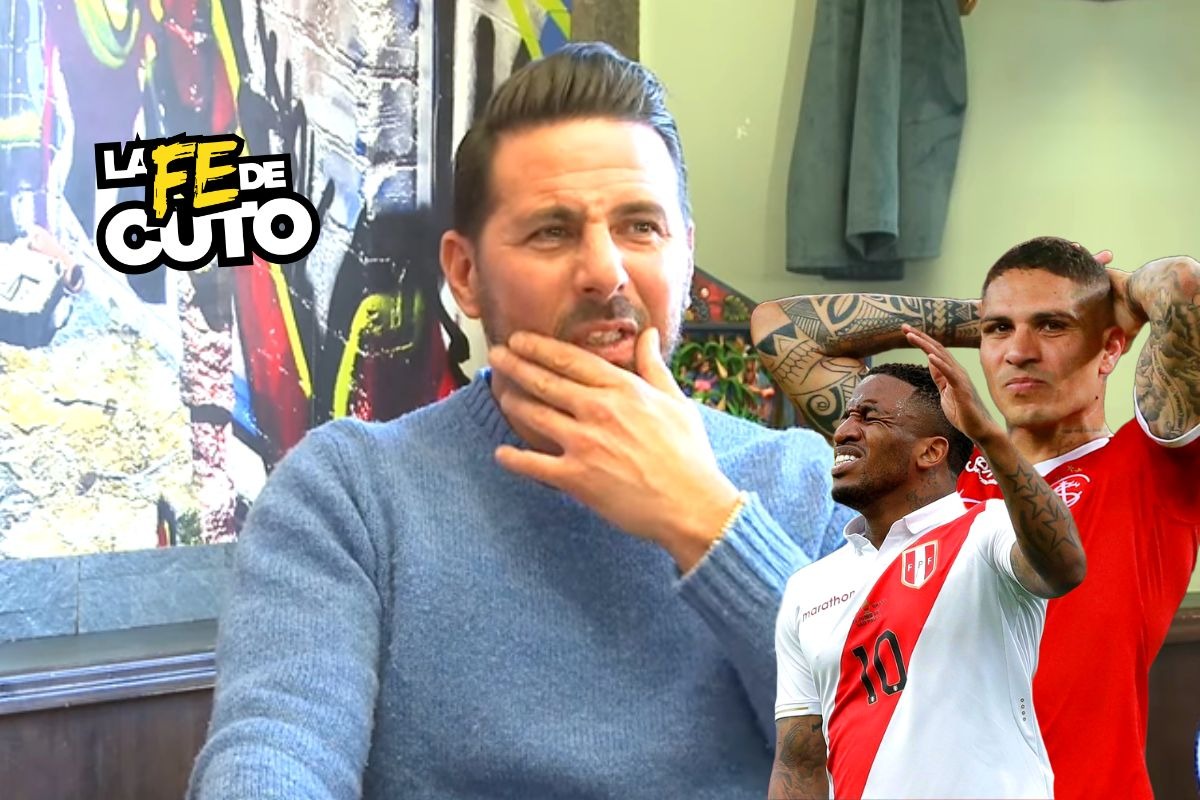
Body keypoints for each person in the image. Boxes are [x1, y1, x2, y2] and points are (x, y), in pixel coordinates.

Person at [187, 42, 854, 800]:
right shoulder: (351, 494)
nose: (605, 271)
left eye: (641, 227)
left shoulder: (807, 487)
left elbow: (891, 747)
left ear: (685, 254)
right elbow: (275, 748)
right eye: (552, 232)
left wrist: (708, 523)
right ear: (465, 274)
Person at [752, 236, 1200, 800]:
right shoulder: (939, 469)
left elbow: (1183, 286)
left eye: (1053, 328)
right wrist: (999, 316)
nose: (1020, 352)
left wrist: (1105, 300)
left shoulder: (1151, 466)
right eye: (1001, 332)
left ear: (1108, 350)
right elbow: (780, 327)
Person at [770, 350, 1086, 799]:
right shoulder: (808, 588)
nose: (843, 431)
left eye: (870, 417)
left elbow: (1065, 568)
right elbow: (799, 763)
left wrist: (988, 434)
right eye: (847, 417)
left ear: (931, 451)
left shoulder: (988, 530)